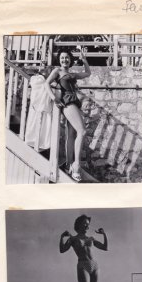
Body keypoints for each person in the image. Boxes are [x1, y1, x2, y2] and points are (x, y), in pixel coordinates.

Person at [45, 46, 91, 182]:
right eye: (62, 58)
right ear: (59, 60)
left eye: (66, 57)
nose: (64, 59)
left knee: (71, 135)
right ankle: (76, 166)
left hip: (74, 102)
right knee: (82, 131)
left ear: (70, 59)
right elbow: (46, 84)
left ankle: (68, 164)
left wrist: (84, 60)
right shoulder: (57, 71)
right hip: (67, 103)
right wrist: (54, 98)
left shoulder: (72, 73)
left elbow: (87, 73)